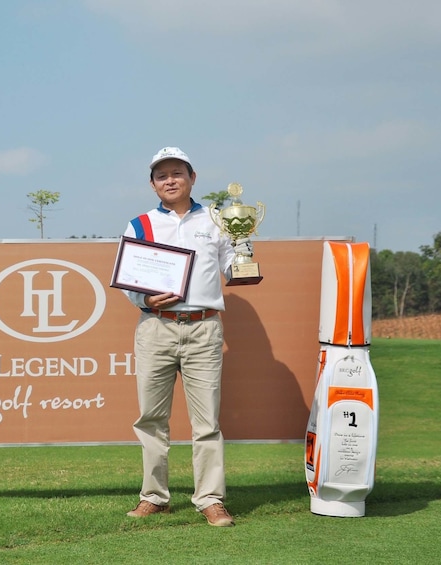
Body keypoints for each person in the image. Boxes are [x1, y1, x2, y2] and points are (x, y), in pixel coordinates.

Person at [119, 146, 253, 527]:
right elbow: (129, 280)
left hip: (204, 327)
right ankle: (154, 497)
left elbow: (235, 269)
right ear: (152, 184)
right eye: (162, 175)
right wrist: (143, 296)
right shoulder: (139, 224)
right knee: (151, 418)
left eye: (177, 173)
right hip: (155, 326)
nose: (170, 180)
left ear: (192, 178)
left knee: (207, 421)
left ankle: (210, 499)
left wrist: (243, 242)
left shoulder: (217, 220)